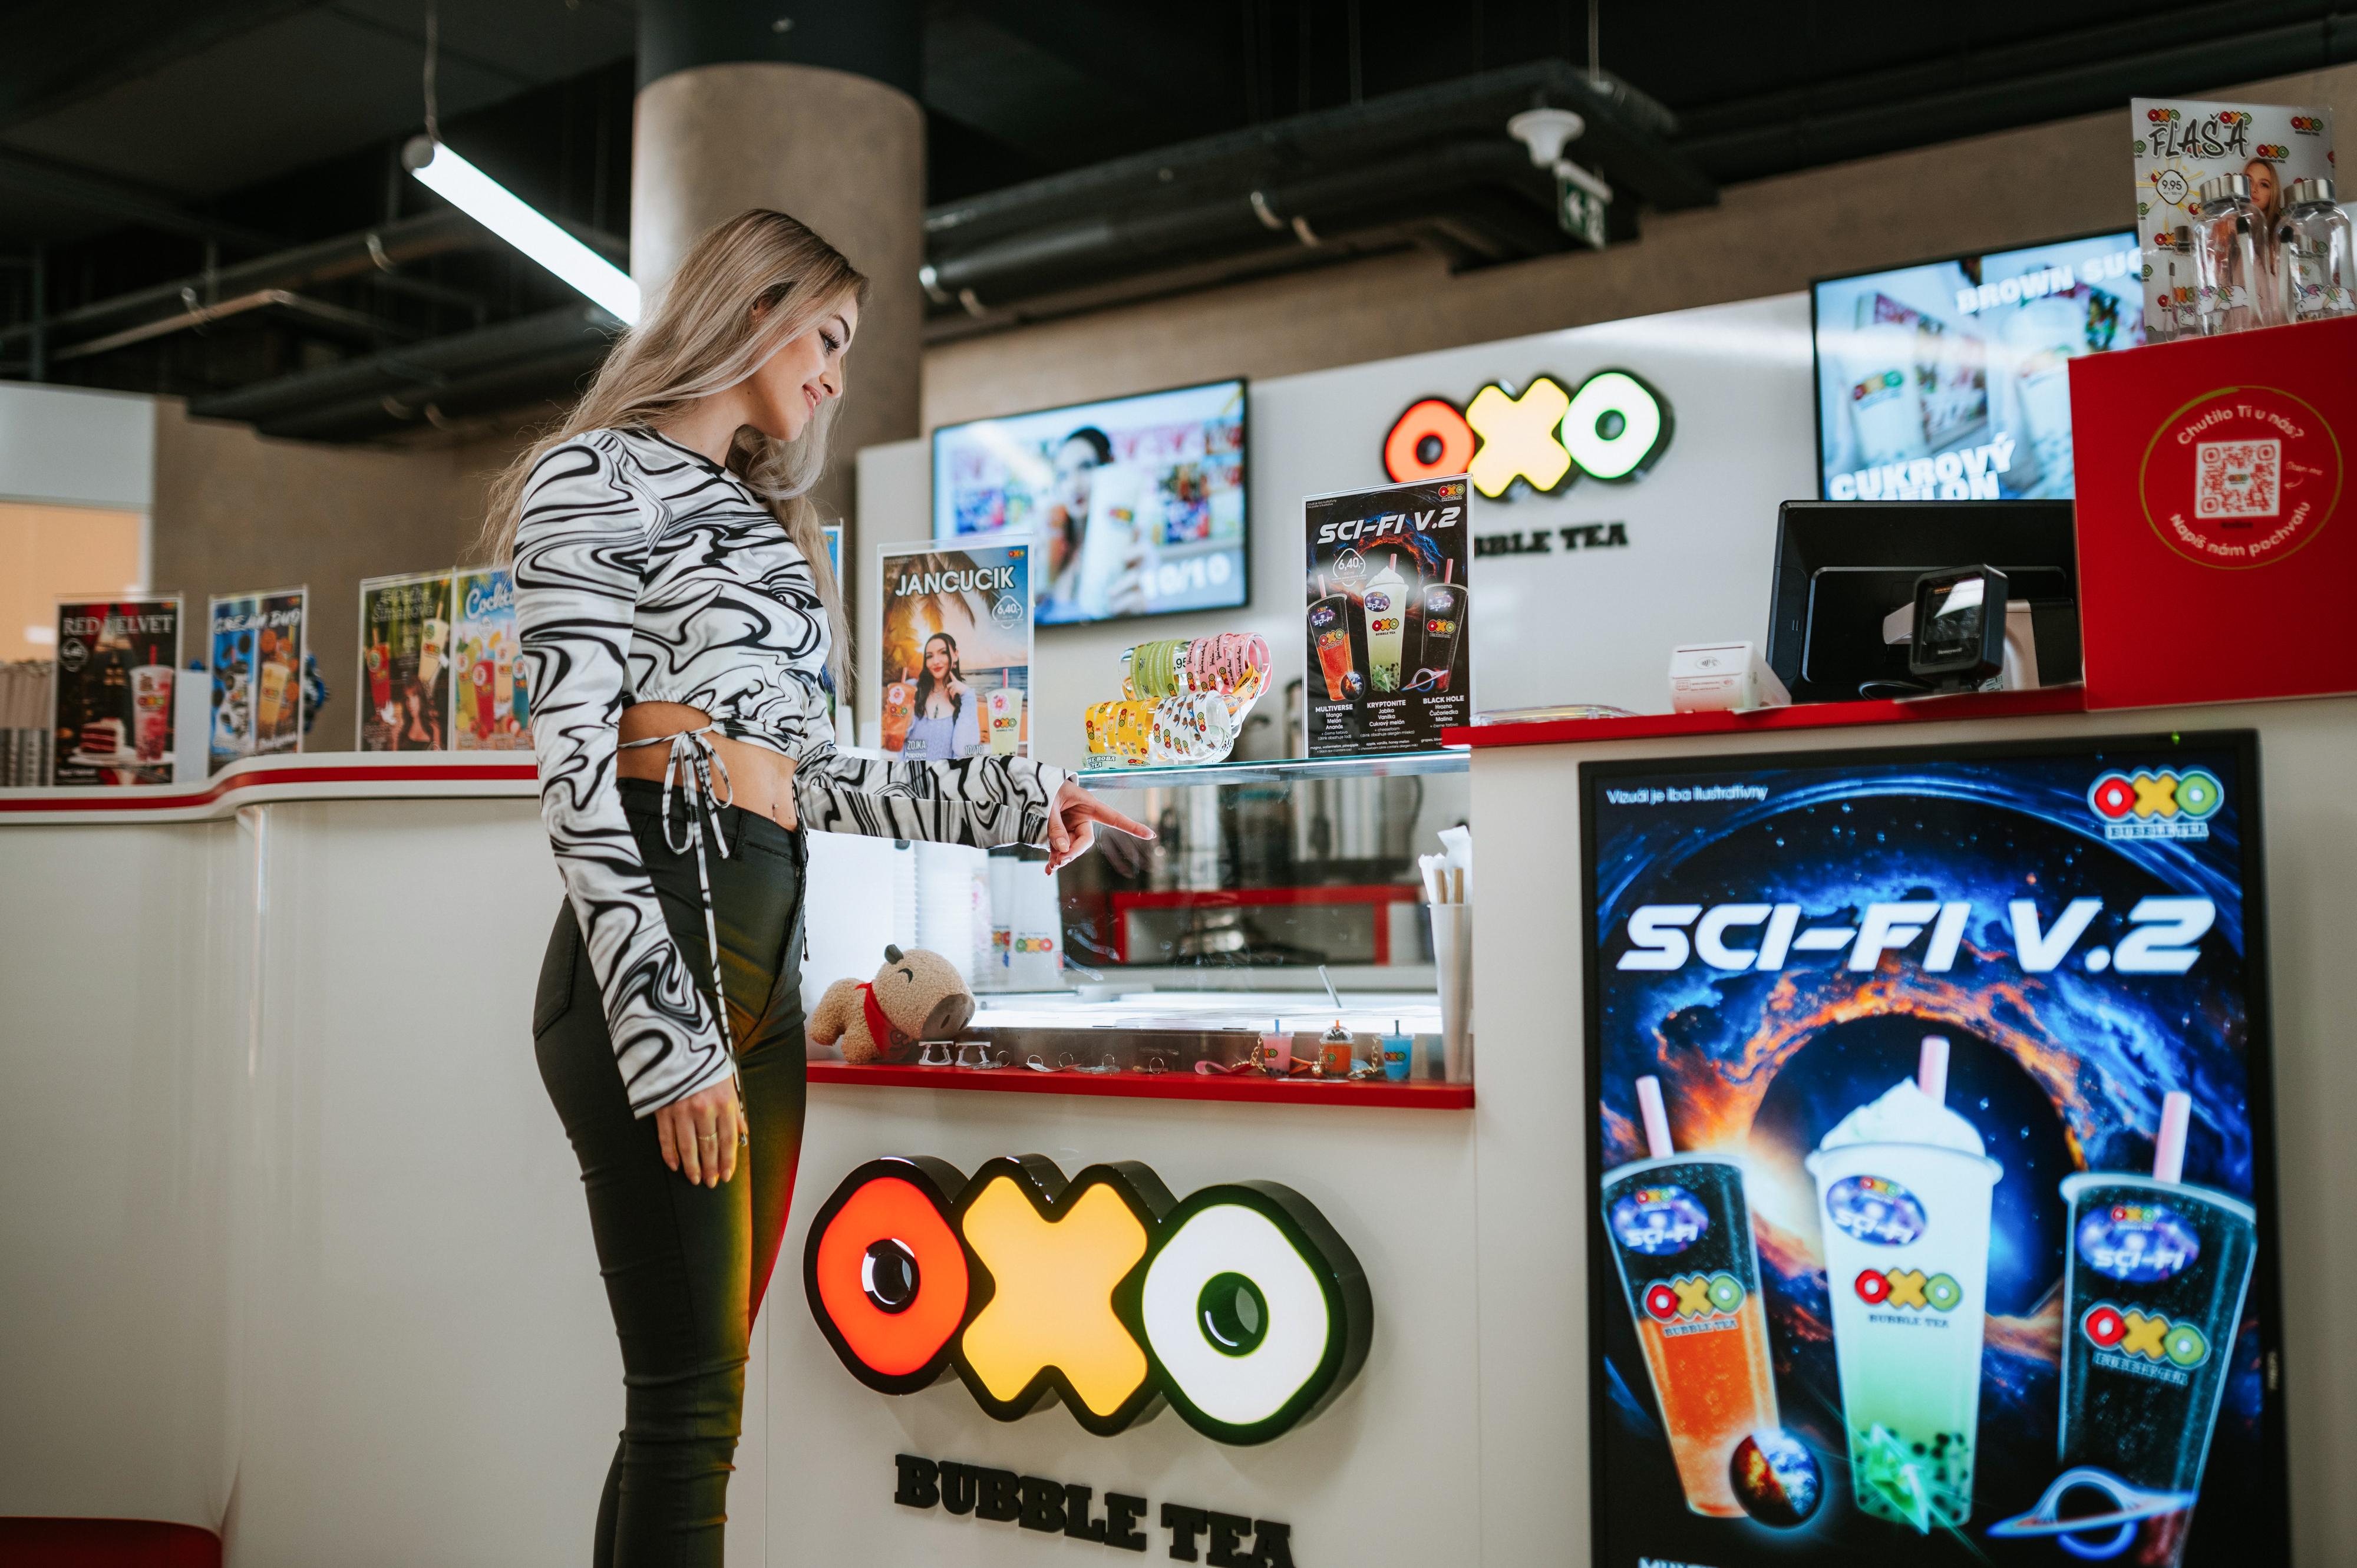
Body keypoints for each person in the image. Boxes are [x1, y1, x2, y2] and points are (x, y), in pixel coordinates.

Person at [488, 209, 1151, 1566]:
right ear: (755, 305)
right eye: (829, 336)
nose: (838, 374)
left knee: (692, 1405)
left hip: (758, 955)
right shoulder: (591, 474)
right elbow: (573, 776)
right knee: (689, 1407)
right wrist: (666, 1034)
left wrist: (1017, 803)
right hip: (659, 948)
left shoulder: (769, 529)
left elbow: (818, 774)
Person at [1036, 424, 1148, 622]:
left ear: (1109, 469)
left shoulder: (1131, 548)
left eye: (1086, 467)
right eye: (1063, 475)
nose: (1074, 485)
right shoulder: (1052, 547)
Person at [898, 631, 981, 760]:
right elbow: (897, 739)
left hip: (946, 773)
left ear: (956, 655)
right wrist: (904, 720)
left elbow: (964, 751)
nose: (936, 661)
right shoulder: (912, 689)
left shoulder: (964, 699)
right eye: (929, 656)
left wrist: (968, 696)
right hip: (910, 772)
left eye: (943, 653)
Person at [394, 675, 440, 750]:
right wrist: (395, 741)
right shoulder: (403, 727)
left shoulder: (433, 728)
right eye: (408, 698)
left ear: (421, 698)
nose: (410, 703)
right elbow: (395, 757)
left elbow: (438, 757)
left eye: (414, 696)